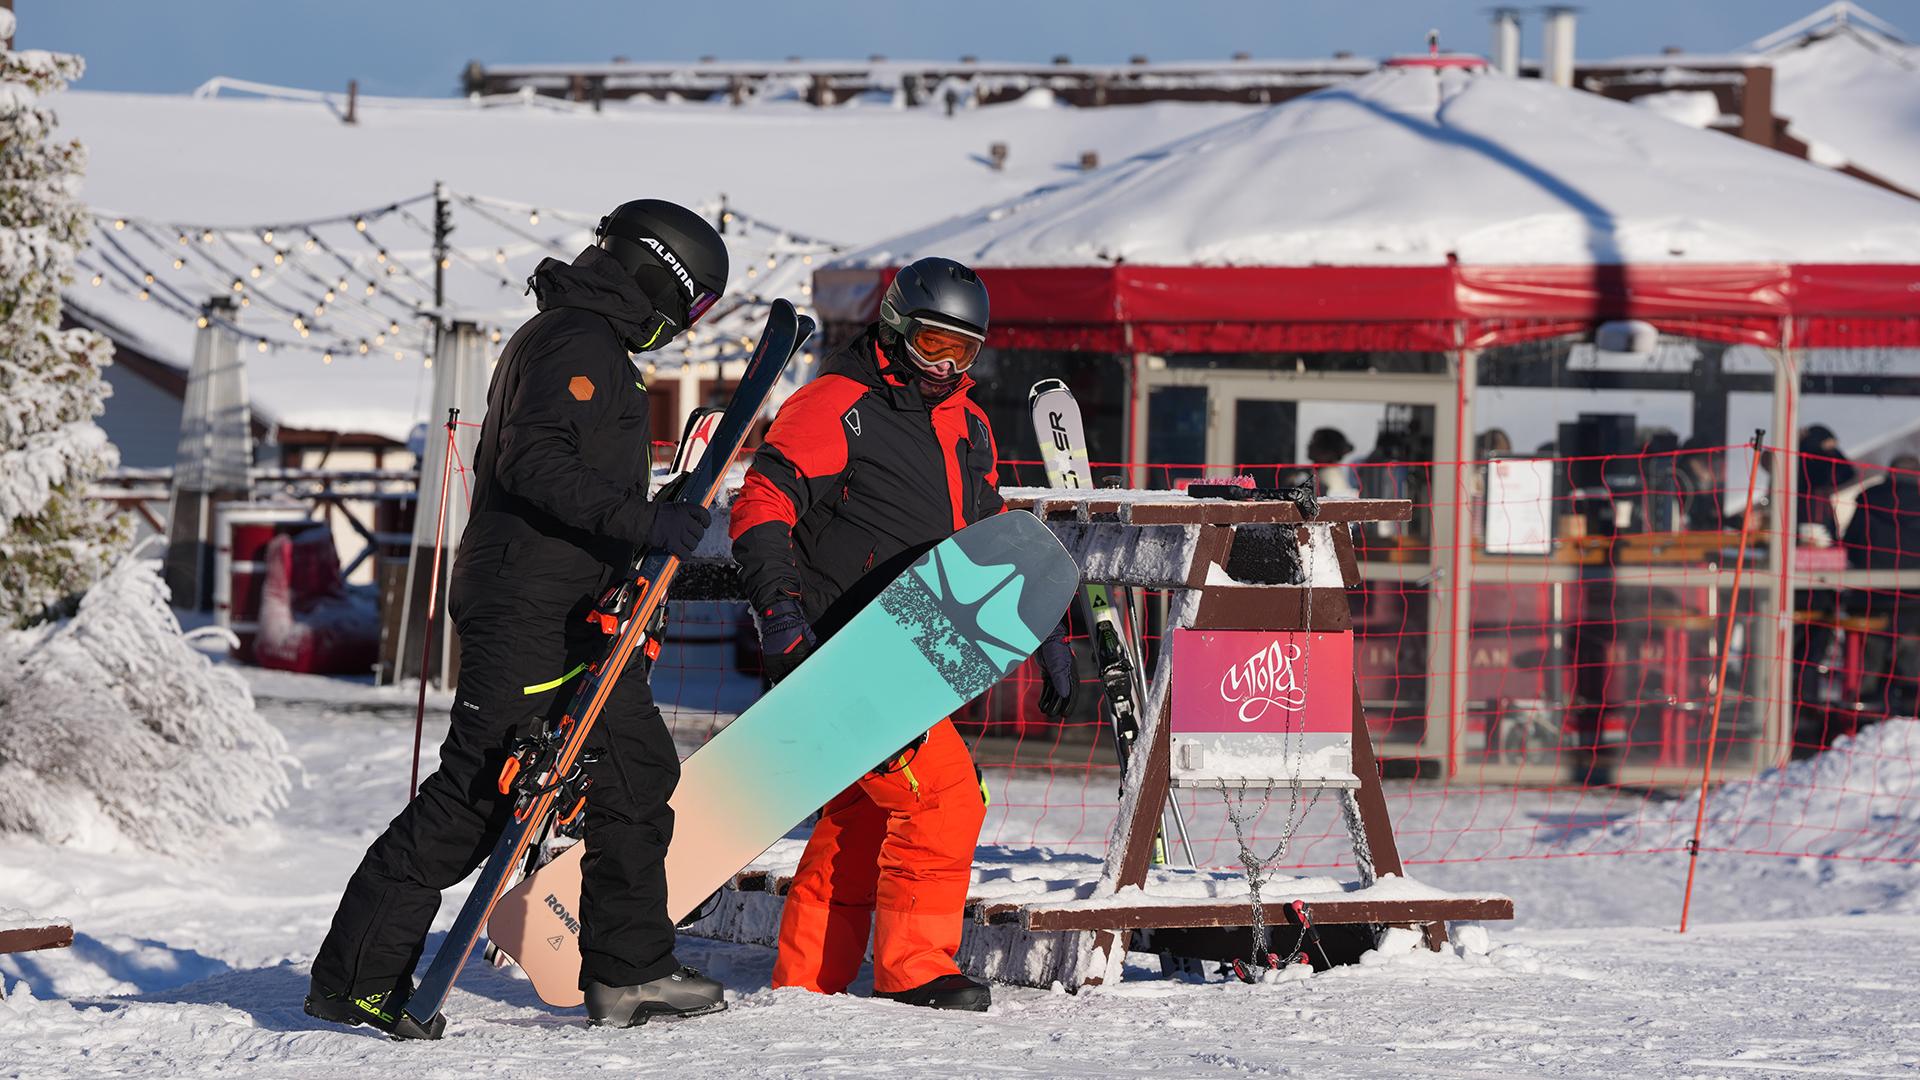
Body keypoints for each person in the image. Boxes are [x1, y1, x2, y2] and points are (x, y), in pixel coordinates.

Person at [305, 200, 730, 1037]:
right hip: (528, 608)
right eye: (689, 308)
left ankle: (629, 970)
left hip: (577, 610)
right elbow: (534, 461)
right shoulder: (575, 339)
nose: (681, 328)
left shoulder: (595, 345)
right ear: (659, 278)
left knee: (637, 776)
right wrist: (645, 523)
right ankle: (351, 979)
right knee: (478, 795)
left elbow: (578, 477)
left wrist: (657, 519)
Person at [728, 256, 1075, 1012]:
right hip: (848, 652)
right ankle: (917, 967)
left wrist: (1044, 629)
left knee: (858, 816)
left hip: (922, 655)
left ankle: (808, 976)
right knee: (944, 799)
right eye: (932, 344)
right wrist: (779, 610)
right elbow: (762, 501)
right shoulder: (838, 405)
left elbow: (985, 534)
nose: (946, 365)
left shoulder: (970, 425)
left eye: (963, 351)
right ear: (893, 327)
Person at [1842, 454, 1920, 718]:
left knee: (1871, 649)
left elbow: (1850, 546)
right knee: (1912, 645)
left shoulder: (1869, 499)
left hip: (1870, 598)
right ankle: (1911, 705)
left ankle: (1865, 708)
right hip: (1915, 602)